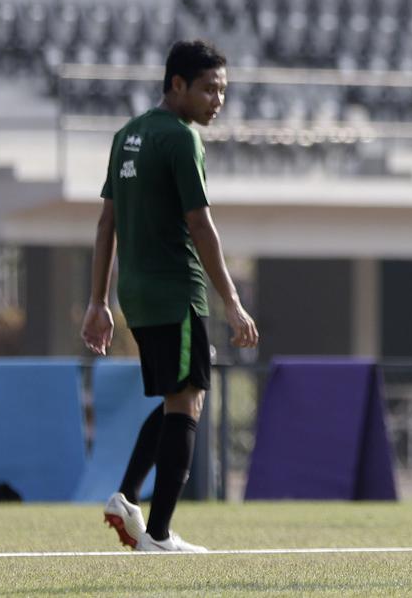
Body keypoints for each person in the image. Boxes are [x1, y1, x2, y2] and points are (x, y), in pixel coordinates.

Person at [81, 40, 259, 553]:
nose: (217, 101)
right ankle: (157, 534)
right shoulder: (181, 139)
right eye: (208, 89)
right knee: (188, 401)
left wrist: (100, 301)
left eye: (223, 90)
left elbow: (106, 222)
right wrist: (232, 300)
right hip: (177, 290)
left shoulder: (127, 135)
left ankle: (126, 497)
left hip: (138, 294)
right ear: (176, 85)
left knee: (179, 398)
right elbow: (201, 225)